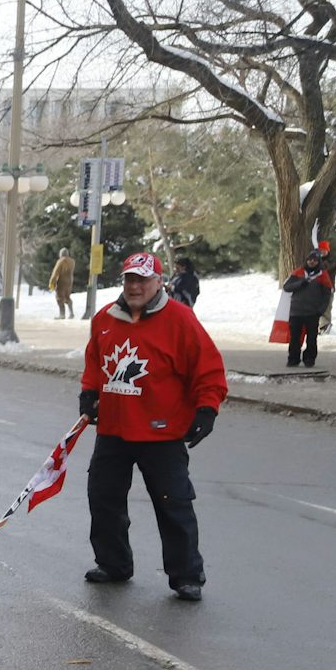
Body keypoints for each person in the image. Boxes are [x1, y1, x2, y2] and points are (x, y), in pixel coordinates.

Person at [80, 252, 227, 602]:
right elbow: (95, 363)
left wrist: (207, 410)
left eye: (143, 280)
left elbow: (208, 369)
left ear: (158, 282)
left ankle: (186, 576)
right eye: (129, 279)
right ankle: (113, 564)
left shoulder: (180, 320)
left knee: (173, 504)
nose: (134, 286)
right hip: (114, 430)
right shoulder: (105, 319)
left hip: (161, 432)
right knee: (104, 499)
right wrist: (88, 392)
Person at [281, 248, 333, 368]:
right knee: (295, 338)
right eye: (309, 260)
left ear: (318, 262)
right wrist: (301, 283)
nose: (311, 262)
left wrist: (321, 310)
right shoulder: (298, 273)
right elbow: (287, 287)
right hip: (296, 312)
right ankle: (293, 359)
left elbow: (327, 295)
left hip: (312, 313)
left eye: (314, 260)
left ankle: (309, 359)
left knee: (311, 338)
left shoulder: (323, 275)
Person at [49, 248, 76, 319]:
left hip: (61, 282)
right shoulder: (72, 262)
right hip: (70, 282)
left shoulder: (60, 261)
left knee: (60, 298)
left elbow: (55, 273)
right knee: (67, 297)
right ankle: (71, 313)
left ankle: (62, 314)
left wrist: (52, 283)